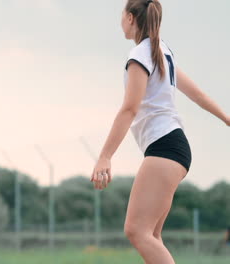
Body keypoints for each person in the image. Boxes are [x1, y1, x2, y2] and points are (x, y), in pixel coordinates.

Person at [90, 0, 230, 263]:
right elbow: (197, 94)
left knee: (136, 230)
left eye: (122, 15)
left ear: (131, 18)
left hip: (165, 147)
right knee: (152, 235)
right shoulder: (162, 52)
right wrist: (226, 119)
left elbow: (129, 109)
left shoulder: (140, 56)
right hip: (175, 149)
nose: (120, 20)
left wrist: (105, 156)